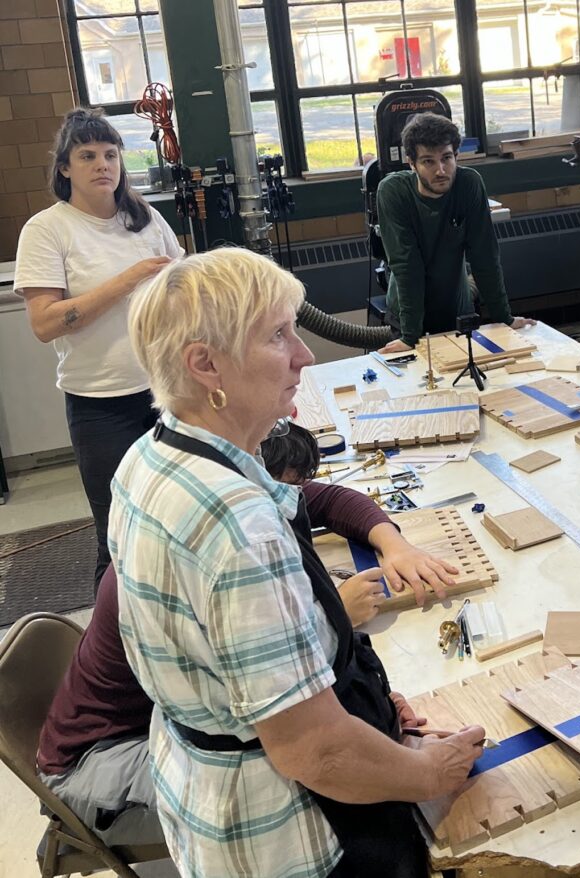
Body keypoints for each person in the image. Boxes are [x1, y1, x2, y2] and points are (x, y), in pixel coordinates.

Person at [109, 247, 485, 877]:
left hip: (204, 792)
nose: (305, 355)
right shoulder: (238, 527)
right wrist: (425, 772)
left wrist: (365, 701)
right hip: (289, 836)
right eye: (279, 336)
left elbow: (246, 669)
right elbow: (316, 751)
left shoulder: (151, 455)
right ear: (206, 365)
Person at [36, 421, 459, 848]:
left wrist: (395, 546)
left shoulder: (236, 490)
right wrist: (336, 623)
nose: (292, 497)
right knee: (331, 788)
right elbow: (305, 743)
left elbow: (328, 499)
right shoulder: (204, 545)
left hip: (166, 717)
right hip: (98, 759)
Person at [14, 108, 184, 589]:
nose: (102, 164)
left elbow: (183, 287)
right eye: (86, 155)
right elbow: (46, 324)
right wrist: (128, 279)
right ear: (65, 168)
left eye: (110, 154)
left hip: (167, 393)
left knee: (181, 517)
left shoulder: (145, 219)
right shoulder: (48, 230)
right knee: (119, 534)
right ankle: (111, 655)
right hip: (100, 405)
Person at [376, 112, 534, 353]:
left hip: (459, 309)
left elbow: (485, 256)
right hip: (407, 315)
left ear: (456, 156)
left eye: (446, 158)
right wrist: (410, 337)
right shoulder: (393, 192)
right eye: (428, 161)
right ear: (411, 163)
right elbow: (406, 265)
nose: (441, 170)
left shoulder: (468, 184)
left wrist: (505, 318)